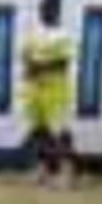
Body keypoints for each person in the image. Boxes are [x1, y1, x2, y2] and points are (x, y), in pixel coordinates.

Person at [19, 17, 80, 184]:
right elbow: (25, 55)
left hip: (55, 90)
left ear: (58, 12)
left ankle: (67, 171)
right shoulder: (34, 34)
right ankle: (42, 169)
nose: (47, 12)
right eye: (45, 8)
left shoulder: (63, 36)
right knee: (38, 129)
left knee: (59, 131)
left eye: (51, 9)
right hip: (34, 89)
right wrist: (28, 68)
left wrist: (40, 67)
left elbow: (64, 63)